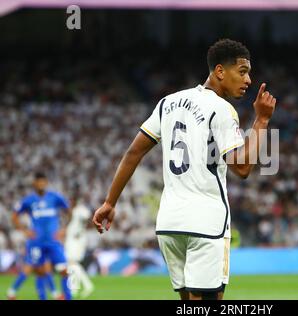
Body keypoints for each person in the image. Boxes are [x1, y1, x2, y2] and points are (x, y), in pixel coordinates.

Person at [93, 39, 276, 300]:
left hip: (169, 223)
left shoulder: (168, 102)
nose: (248, 80)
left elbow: (134, 152)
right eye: (243, 72)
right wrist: (262, 121)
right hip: (206, 221)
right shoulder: (222, 109)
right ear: (220, 71)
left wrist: (110, 202)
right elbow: (243, 167)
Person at [8, 172, 72, 300]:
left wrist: (64, 229)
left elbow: (69, 212)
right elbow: (14, 216)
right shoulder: (28, 200)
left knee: (64, 270)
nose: (41, 184)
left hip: (53, 241)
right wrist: (24, 230)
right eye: (39, 182)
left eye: (43, 181)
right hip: (36, 242)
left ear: (46, 182)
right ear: (35, 183)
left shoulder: (55, 197)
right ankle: (47, 296)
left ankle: (66, 297)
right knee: (39, 271)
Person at [65, 196, 94, 298]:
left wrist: (80, 231)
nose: (69, 203)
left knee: (71, 262)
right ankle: (76, 288)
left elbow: (88, 219)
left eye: (70, 200)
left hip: (76, 240)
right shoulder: (72, 211)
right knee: (72, 264)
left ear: (75, 201)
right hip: (71, 239)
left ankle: (83, 287)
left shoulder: (81, 209)